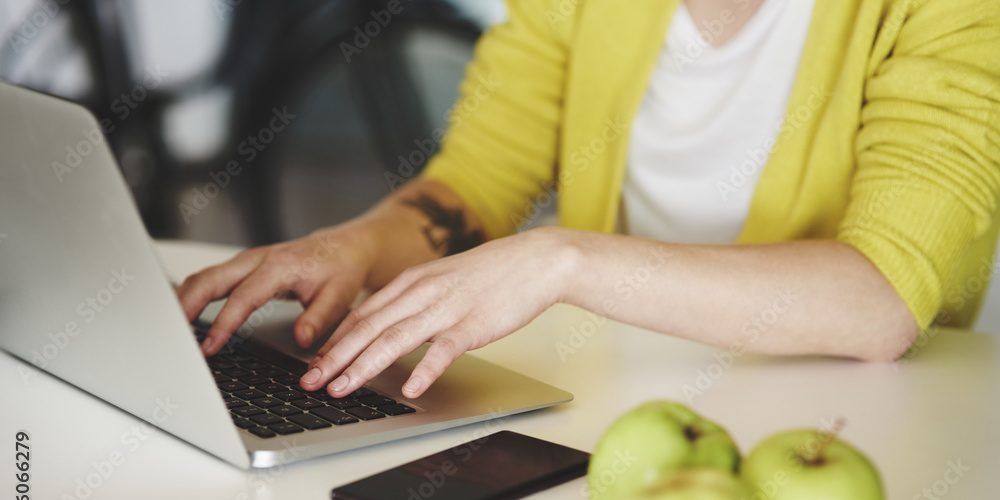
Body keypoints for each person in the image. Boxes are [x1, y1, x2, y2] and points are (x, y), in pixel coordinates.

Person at [177, 0, 1000, 401]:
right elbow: (476, 183)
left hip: (856, 413)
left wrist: (564, 259)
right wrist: (354, 244)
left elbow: (881, 298)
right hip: (617, 398)